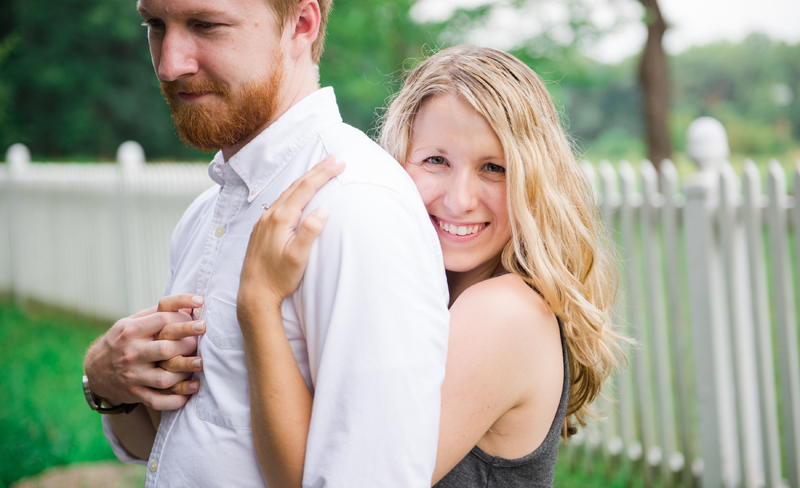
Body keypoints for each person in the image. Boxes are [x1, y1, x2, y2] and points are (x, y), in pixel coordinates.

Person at [80, 0, 451, 485]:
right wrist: (104, 383)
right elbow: (177, 443)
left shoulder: (353, 209)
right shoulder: (206, 213)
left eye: (205, 25)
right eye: (155, 25)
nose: (169, 63)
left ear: (302, 24)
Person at [234, 45, 623, 487]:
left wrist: (258, 303)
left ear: (534, 182)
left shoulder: (504, 312)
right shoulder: (429, 298)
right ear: (397, 163)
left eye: (494, 168)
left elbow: (309, 480)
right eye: (436, 161)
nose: (459, 199)